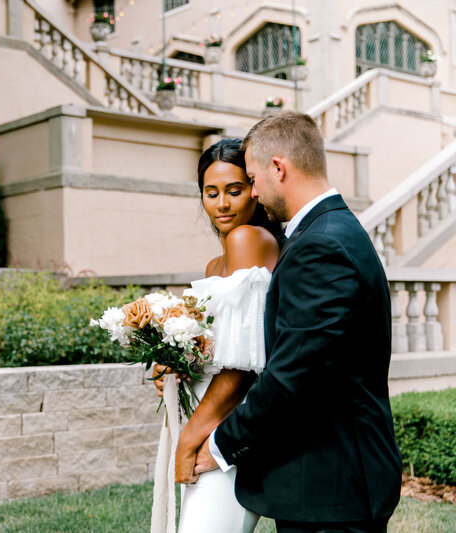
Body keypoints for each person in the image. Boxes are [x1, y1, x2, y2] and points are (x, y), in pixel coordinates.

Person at [189, 111, 402, 533]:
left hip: (333, 485)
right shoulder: (332, 230)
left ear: (279, 168)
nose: (252, 192)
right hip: (328, 483)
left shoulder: (320, 245)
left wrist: (219, 445)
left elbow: (294, 373)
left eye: (251, 179)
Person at [152, 137, 280, 533]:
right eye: (211, 193)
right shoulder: (216, 263)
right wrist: (176, 363)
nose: (222, 204)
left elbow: (242, 367)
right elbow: (221, 347)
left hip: (227, 427)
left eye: (235, 190)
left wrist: (190, 439)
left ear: (255, 192)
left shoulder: (249, 239)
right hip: (207, 417)